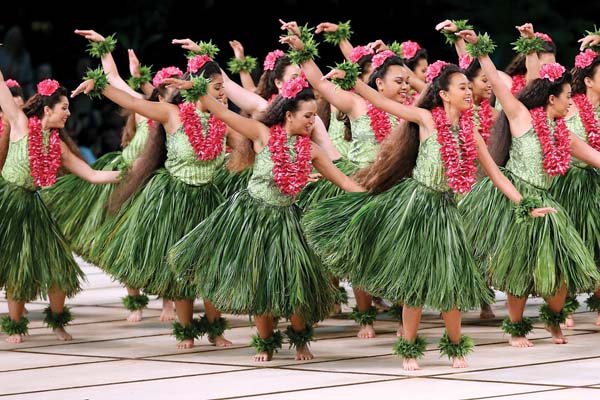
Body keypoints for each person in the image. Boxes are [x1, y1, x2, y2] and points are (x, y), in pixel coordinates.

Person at [164, 74, 364, 362]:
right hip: (252, 218)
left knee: (294, 283)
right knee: (258, 282)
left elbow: (344, 182)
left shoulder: (313, 151)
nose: (312, 121)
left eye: (314, 116)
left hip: (286, 221)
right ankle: (266, 341)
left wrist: (373, 196)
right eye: (307, 116)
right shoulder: (263, 135)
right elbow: (221, 111)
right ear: (288, 116)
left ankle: (300, 340)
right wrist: (196, 89)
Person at [458, 29, 600, 349]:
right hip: (517, 201)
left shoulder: (565, 135)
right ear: (552, 98)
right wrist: (481, 49)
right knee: (520, 268)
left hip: (547, 203)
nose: (570, 103)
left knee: (560, 270)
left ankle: (552, 321)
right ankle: (517, 326)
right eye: (566, 97)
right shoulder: (521, 116)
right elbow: (495, 80)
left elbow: (596, 157)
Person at [0, 75, 120, 344]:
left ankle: (57, 322)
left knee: (58, 268)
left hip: (33, 204)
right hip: (7, 202)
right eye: (64, 107)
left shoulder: (60, 146)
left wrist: (129, 174)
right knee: (16, 268)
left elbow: (92, 175)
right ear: (47, 110)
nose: (68, 113)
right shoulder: (20, 124)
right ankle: (16, 326)